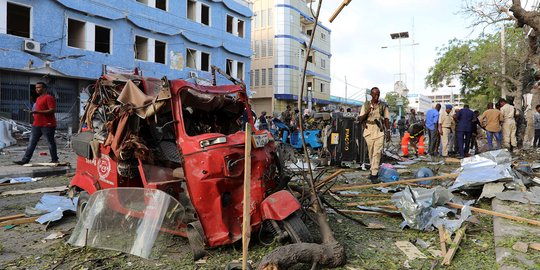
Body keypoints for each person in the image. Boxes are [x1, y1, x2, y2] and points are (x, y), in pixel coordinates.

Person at [15, 82, 59, 165]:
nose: (37, 89)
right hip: (37, 124)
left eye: (39, 87)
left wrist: (37, 112)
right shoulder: (38, 99)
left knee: (50, 142)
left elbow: (52, 110)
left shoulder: (49, 97)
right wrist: (33, 113)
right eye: (36, 87)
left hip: (48, 124)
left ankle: (55, 160)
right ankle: (25, 160)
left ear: (44, 88)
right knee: (31, 142)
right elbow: (38, 111)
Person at [358, 87, 390, 183]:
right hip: (368, 130)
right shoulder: (366, 105)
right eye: (375, 94)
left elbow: (386, 119)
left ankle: (374, 174)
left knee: (377, 152)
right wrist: (368, 111)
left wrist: (388, 131)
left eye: (378, 94)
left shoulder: (383, 106)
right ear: (371, 95)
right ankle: (372, 170)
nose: (376, 96)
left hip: (379, 130)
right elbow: (360, 119)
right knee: (371, 152)